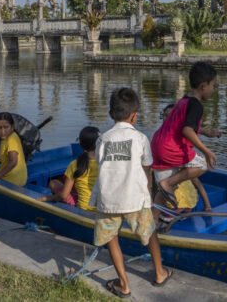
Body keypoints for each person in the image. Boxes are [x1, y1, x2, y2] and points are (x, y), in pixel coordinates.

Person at [90, 87, 172, 298]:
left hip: (108, 200)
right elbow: (147, 168)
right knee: (150, 232)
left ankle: (124, 284)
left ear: (111, 114)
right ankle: (160, 273)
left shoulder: (103, 139)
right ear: (135, 115)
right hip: (135, 198)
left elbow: (101, 163)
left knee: (111, 238)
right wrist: (148, 191)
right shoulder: (141, 139)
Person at [151, 61, 220, 208]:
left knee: (163, 194)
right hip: (170, 148)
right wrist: (206, 151)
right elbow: (187, 130)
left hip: (157, 146)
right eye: (213, 86)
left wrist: (204, 131)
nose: (213, 90)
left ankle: (155, 221)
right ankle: (168, 183)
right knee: (202, 165)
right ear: (203, 86)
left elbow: (178, 126)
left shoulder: (183, 100)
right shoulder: (196, 105)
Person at [159, 103, 213, 213]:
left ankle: (177, 212)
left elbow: (197, 183)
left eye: (170, 116)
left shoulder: (182, 159)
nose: (166, 119)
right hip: (170, 190)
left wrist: (208, 206)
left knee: (184, 193)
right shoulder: (161, 139)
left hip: (183, 194)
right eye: (164, 116)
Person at [38, 126, 100, 211]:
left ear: (81, 144)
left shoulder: (75, 164)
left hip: (82, 209)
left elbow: (63, 195)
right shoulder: (107, 163)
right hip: (102, 210)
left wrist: (48, 198)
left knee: (53, 183)